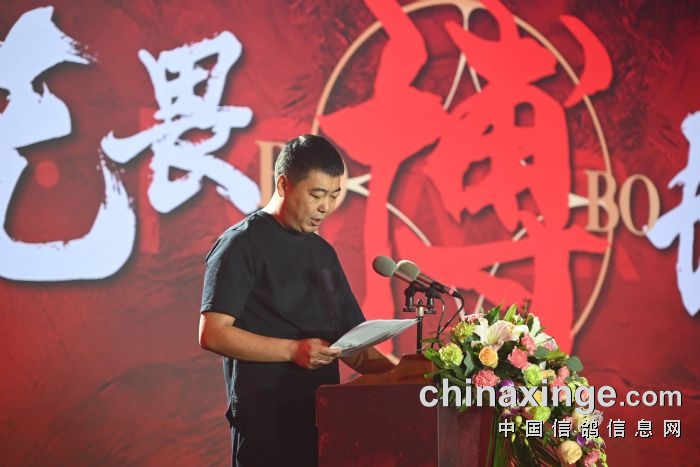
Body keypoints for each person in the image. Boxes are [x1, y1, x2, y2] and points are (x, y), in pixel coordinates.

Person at [199, 134, 396, 467]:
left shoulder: (323, 253)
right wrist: (293, 350)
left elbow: (353, 343)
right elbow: (213, 333)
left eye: (334, 195)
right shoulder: (242, 243)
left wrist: (412, 377)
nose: (326, 207)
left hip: (322, 417)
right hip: (265, 421)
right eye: (316, 195)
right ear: (283, 184)